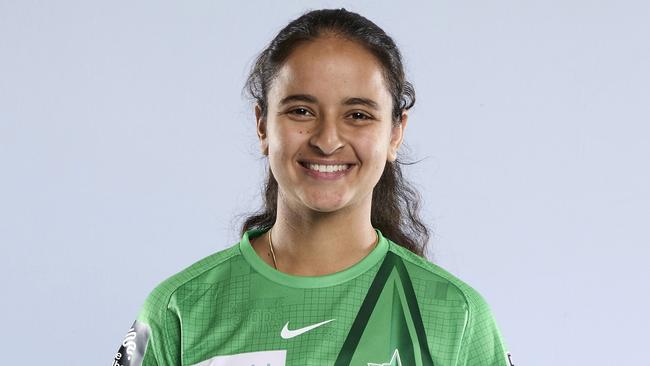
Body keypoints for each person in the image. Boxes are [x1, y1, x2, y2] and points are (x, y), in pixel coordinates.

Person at [112, 8, 514, 366]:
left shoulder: (457, 316)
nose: (326, 139)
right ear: (262, 125)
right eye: (301, 111)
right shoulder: (175, 310)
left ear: (395, 133)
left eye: (358, 114)